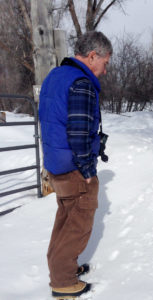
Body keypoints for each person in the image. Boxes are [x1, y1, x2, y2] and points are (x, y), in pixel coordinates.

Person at [39, 31, 112, 298]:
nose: (104, 70)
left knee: (65, 220)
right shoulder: (81, 83)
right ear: (92, 56)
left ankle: (62, 268)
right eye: (105, 62)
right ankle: (63, 281)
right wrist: (89, 171)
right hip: (74, 168)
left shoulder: (55, 76)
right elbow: (79, 135)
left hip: (57, 164)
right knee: (78, 224)